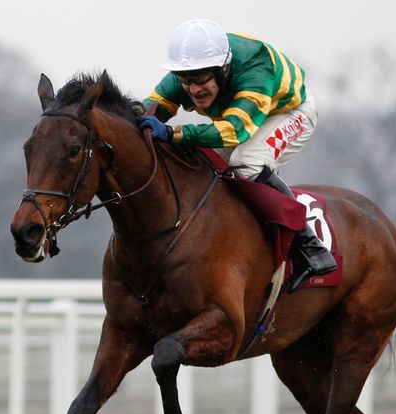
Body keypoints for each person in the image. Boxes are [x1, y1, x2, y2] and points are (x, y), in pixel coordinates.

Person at [139, 18, 337, 284]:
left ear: (222, 69)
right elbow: (155, 103)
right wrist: (139, 115)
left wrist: (174, 133)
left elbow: (234, 130)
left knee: (246, 163)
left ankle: (310, 247)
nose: (194, 89)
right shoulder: (191, 70)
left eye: (200, 81)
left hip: (288, 111)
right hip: (240, 116)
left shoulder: (254, 69)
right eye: (186, 82)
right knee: (208, 167)